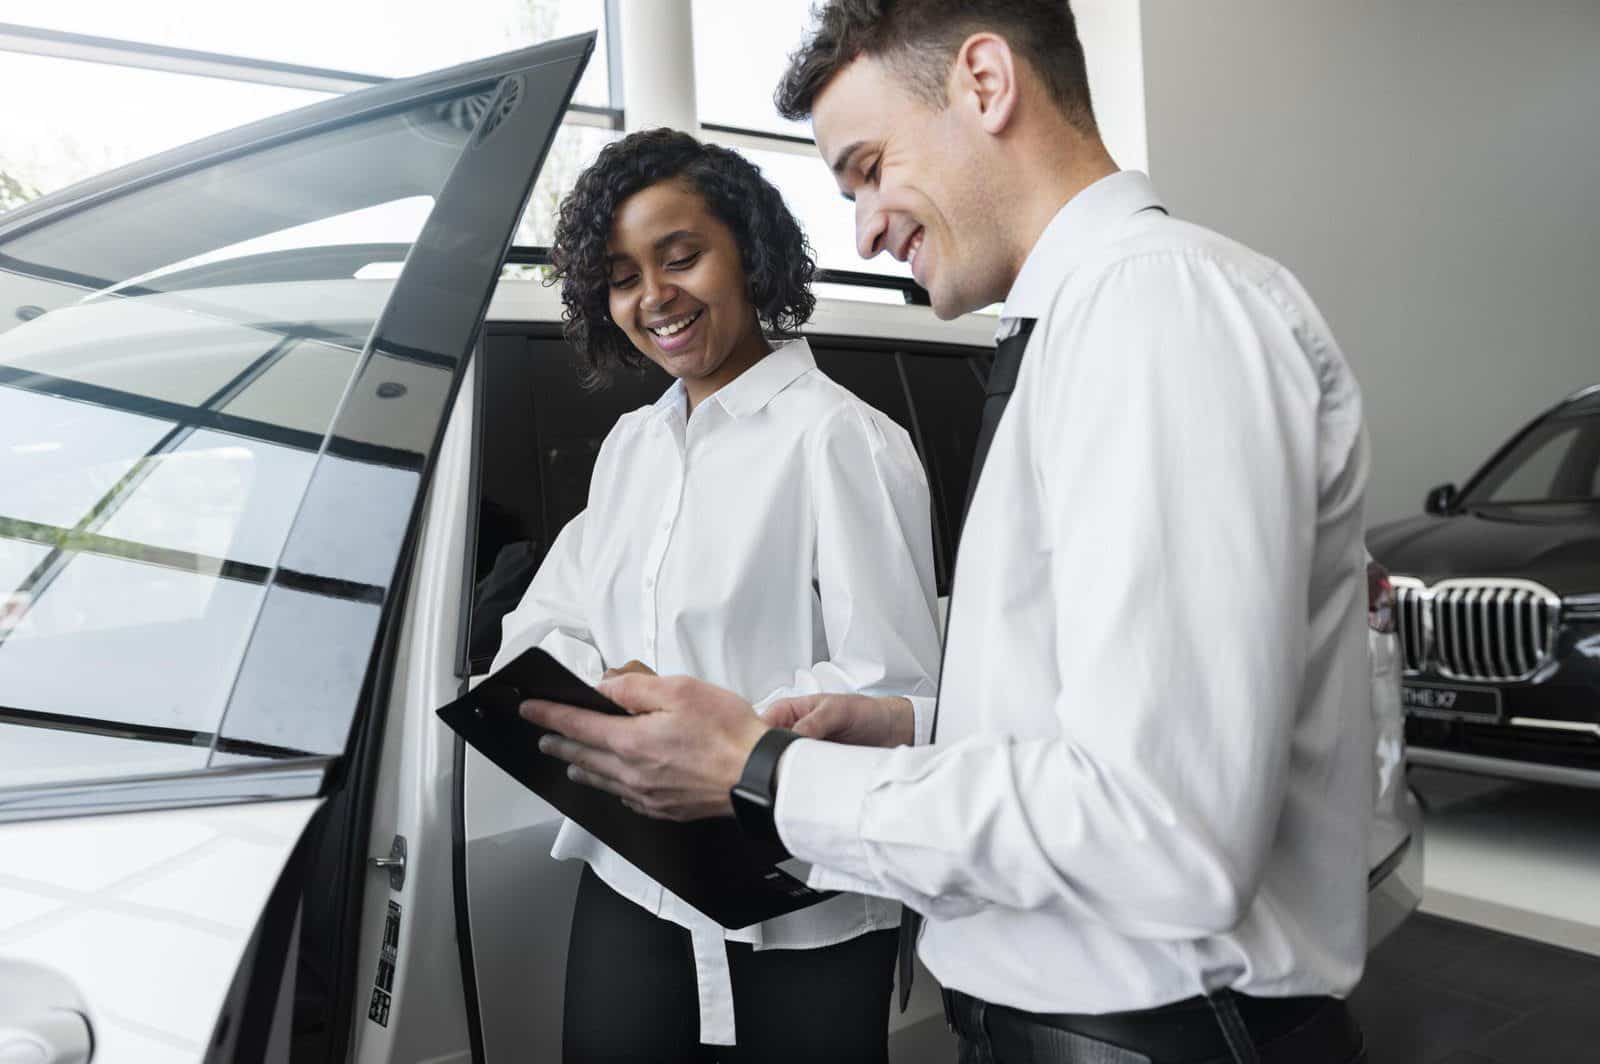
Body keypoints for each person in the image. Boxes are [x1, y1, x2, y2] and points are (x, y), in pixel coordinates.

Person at [523, 3, 1373, 1062]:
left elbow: (1164, 832)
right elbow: (1093, 730)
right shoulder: (1084, 324)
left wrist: (762, 768)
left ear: (984, 83)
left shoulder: (1155, 308)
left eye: (871, 168)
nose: (867, 227)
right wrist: (906, 726)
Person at [491, 127, 942, 1062]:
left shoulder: (840, 441)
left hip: (794, 900)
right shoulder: (630, 449)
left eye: (682, 256)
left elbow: (891, 688)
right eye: (621, 275)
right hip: (630, 880)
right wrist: (609, 693)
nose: (653, 297)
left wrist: (718, 739)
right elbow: (546, 624)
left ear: (751, 250)